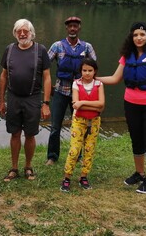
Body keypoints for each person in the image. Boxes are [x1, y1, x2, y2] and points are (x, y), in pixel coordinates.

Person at [97, 22, 146, 194]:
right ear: (131, 37)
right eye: (135, 35)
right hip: (131, 105)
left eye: (142, 35)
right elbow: (115, 78)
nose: (139, 38)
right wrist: (92, 79)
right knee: (136, 140)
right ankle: (139, 173)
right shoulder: (127, 56)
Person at [0, 19, 51, 182]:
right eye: (18, 31)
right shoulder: (9, 49)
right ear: (15, 33)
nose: (22, 34)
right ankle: (14, 168)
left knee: (30, 134)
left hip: (33, 98)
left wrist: (46, 103)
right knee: (14, 133)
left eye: (25, 31)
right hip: (13, 97)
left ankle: (28, 166)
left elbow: (47, 77)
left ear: (31, 33)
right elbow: (3, 76)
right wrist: (1, 101)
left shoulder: (40, 50)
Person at [46, 16, 97, 166]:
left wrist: (92, 88)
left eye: (75, 26)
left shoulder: (87, 47)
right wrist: (48, 84)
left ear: (79, 28)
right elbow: (44, 65)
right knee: (55, 126)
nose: (73, 29)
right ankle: (52, 156)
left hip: (80, 93)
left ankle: (79, 155)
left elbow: (94, 67)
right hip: (61, 91)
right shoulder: (57, 46)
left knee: (80, 125)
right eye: (70, 26)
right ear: (66, 28)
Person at [60, 58, 105, 192]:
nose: (87, 73)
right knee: (74, 149)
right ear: (80, 71)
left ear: (94, 71)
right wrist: (92, 106)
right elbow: (75, 104)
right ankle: (67, 177)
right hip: (79, 121)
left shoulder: (99, 84)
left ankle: (83, 176)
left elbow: (101, 106)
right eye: (84, 70)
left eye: (90, 70)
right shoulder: (76, 84)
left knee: (89, 149)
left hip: (94, 122)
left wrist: (83, 104)